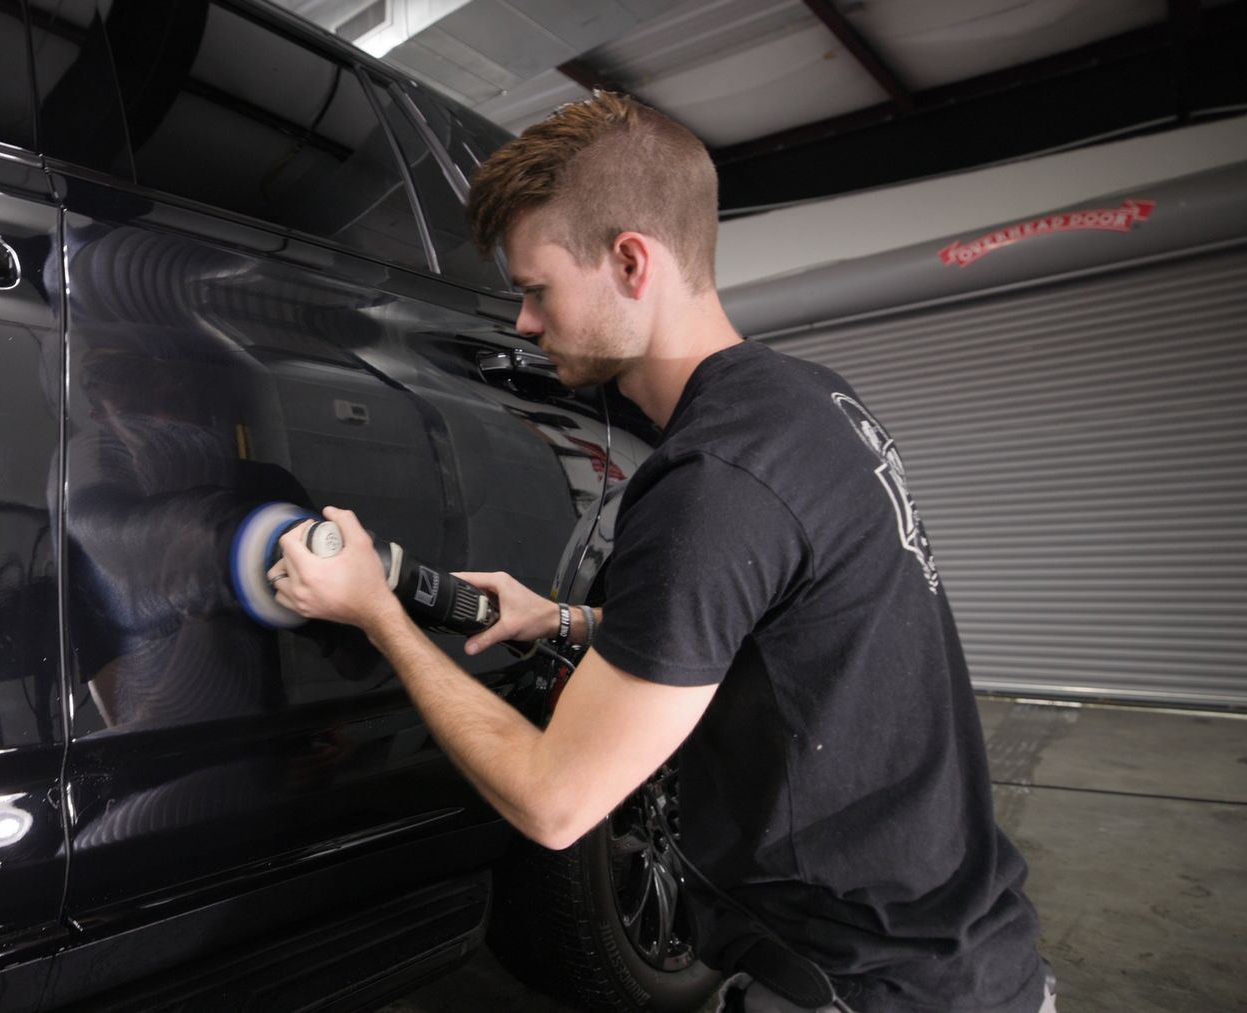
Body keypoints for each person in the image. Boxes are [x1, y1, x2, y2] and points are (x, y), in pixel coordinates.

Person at [266, 93, 1053, 1013]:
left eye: (535, 289)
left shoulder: (712, 481)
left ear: (631, 261)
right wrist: (561, 617)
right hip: (970, 954)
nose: (522, 323)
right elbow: (781, 626)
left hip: (871, 988)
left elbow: (554, 802)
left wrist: (377, 613)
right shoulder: (808, 402)